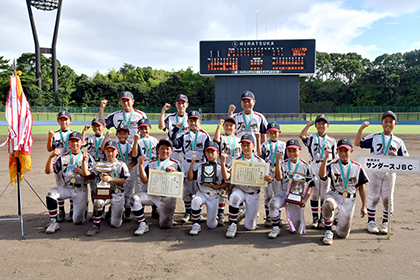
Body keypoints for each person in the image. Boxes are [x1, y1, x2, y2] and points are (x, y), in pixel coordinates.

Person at [355, 111, 409, 234]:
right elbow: (357, 143)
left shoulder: (398, 141)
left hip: (390, 172)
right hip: (374, 171)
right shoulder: (375, 137)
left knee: (387, 198)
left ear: (395, 124)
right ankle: (371, 222)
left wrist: (396, 157)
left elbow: (406, 160)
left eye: (391, 122)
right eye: (385, 121)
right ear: (381, 123)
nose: (388, 124)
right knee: (373, 197)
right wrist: (362, 128)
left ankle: (386, 222)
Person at [319, 138, 369, 245]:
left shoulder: (357, 167)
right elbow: (322, 175)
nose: (343, 153)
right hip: (335, 194)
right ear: (337, 151)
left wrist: (364, 206)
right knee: (327, 205)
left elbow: (362, 186)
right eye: (340, 150)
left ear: (351, 151)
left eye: (345, 151)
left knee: (343, 234)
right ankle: (328, 230)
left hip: (349, 199)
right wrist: (326, 158)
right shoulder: (333, 165)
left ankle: (339, 222)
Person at [44, 131, 95, 234]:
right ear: (69, 143)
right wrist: (51, 157)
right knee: (51, 194)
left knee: (77, 221)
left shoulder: (87, 157)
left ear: (81, 143)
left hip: (81, 189)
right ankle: (54, 221)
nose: (74, 143)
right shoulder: (62, 157)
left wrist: (83, 173)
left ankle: (84, 206)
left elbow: (93, 175)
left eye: (77, 141)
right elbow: (48, 171)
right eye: (72, 141)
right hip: (67, 187)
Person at [225, 133, 273, 238]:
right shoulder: (236, 160)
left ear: (253, 146)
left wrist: (268, 179)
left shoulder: (260, 162)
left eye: (248, 144)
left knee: (250, 227)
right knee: (234, 197)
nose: (245, 147)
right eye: (243, 145)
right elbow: (227, 175)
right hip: (240, 190)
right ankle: (232, 224)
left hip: (253, 193)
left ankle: (245, 213)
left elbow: (267, 179)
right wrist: (225, 166)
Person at [132, 138, 184, 235]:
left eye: (168, 149)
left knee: (165, 225)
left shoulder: (175, 163)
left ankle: (166, 215)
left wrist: (175, 172)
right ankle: (143, 223)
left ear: (171, 151)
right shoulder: (152, 164)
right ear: (158, 150)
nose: (165, 151)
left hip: (167, 198)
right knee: (134, 198)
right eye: (162, 148)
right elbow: (144, 180)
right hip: (153, 195)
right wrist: (140, 165)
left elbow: (183, 180)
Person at [267, 139, 314, 238]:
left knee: (296, 229)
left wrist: (305, 200)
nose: (292, 153)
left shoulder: (305, 166)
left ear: (300, 150)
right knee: (273, 203)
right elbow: (279, 178)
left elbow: (311, 185)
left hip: (297, 196)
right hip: (284, 193)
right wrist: (278, 161)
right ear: (286, 152)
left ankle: (293, 222)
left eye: (294, 150)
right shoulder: (283, 164)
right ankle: (276, 227)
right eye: (289, 151)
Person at [82, 140, 130, 236]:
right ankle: (96, 225)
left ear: (117, 152)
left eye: (113, 151)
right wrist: (83, 161)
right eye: (108, 151)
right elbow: (86, 174)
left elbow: (123, 181)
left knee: (115, 224)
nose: (110, 153)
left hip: (117, 193)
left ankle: (120, 211)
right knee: (97, 202)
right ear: (104, 152)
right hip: (104, 192)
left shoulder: (122, 165)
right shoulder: (100, 164)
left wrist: (111, 178)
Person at [170, 110, 211, 223]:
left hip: (199, 163)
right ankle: (188, 212)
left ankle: (198, 212)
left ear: (200, 121)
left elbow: (208, 151)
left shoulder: (204, 135)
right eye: (191, 120)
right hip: (187, 163)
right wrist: (175, 130)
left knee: (199, 188)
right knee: (187, 189)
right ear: (187, 122)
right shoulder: (184, 136)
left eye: (195, 120)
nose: (193, 123)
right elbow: (174, 143)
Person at [299, 114, 337, 229]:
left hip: (326, 165)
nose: (321, 125)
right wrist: (308, 125)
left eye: (323, 123)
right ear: (316, 125)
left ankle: (322, 217)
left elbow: (334, 156)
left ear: (328, 126)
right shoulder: (311, 137)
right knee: (314, 193)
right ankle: (315, 218)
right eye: (318, 123)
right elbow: (302, 135)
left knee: (324, 193)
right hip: (314, 165)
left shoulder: (331, 140)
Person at [188, 141, 230, 235]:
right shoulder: (200, 166)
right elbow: (190, 178)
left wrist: (217, 187)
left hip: (213, 195)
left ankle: (215, 217)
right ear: (205, 153)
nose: (210, 154)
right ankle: (196, 223)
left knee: (212, 225)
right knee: (195, 201)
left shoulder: (220, 167)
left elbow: (227, 183)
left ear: (217, 153)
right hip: (202, 193)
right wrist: (192, 164)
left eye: (213, 151)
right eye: (208, 152)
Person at [102, 124, 137, 221]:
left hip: (128, 171)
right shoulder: (114, 146)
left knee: (128, 193)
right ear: (116, 134)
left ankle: (127, 209)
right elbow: (103, 149)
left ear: (128, 134)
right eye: (120, 133)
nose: (122, 135)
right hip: (116, 171)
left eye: (124, 133)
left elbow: (135, 159)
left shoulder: (131, 146)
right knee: (116, 191)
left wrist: (127, 168)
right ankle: (112, 209)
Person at [46, 111, 74, 222]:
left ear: (70, 121)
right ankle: (61, 210)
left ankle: (72, 209)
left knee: (72, 183)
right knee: (59, 184)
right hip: (58, 163)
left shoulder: (73, 134)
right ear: (58, 121)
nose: (64, 122)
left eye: (66, 119)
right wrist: (49, 137)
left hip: (70, 162)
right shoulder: (55, 134)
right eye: (61, 119)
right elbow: (49, 149)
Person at [213, 117, 241, 226]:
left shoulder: (239, 139)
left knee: (235, 190)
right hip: (223, 167)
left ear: (235, 127)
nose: (229, 127)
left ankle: (237, 212)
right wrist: (219, 125)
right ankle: (220, 213)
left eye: (231, 125)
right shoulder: (222, 137)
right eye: (227, 125)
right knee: (223, 191)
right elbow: (216, 140)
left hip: (235, 168)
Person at [258, 121, 286, 227]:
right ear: (267, 133)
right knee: (268, 194)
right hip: (268, 170)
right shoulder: (264, 145)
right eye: (270, 132)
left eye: (275, 132)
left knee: (278, 194)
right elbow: (261, 159)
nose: (273, 134)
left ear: (279, 132)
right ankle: (268, 216)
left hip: (279, 170)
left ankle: (277, 216)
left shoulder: (283, 145)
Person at [132, 118, 159, 219]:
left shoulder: (154, 140)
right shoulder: (137, 141)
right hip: (143, 165)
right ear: (138, 129)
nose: (144, 130)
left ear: (150, 128)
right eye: (141, 128)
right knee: (141, 189)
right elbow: (134, 155)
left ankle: (155, 208)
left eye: (146, 128)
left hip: (153, 164)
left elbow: (158, 153)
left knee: (154, 187)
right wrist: (135, 142)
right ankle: (141, 210)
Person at [82, 117, 107, 213]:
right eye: (94, 126)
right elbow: (82, 143)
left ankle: (102, 210)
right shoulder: (90, 138)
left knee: (102, 188)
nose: (96, 128)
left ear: (103, 127)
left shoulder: (105, 138)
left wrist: (107, 137)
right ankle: (96, 210)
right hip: (91, 166)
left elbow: (104, 148)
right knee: (93, 189)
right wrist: (84, 131)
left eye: (99, 126)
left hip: (102, 166)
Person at [158, 94, 189, 163]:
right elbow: (161, 127)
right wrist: (163, 111)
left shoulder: (190, 118)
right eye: (178, 103)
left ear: (187, 105)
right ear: (176, 104)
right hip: (172, 150)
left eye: (183, 103)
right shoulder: (170, 117)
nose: (180, 105)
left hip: (186, 151)